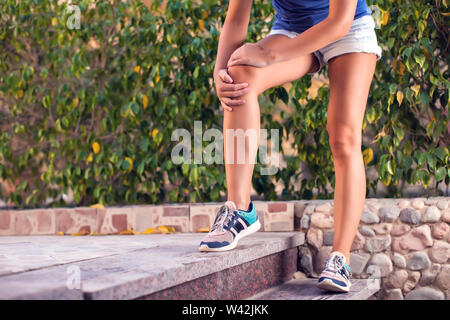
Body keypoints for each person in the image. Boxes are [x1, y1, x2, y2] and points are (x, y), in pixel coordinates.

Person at [199, 0, 382, 293]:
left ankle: (340, 258)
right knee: (238, 80)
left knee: (343, 136)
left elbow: (340, 22)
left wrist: (267, 53)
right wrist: (220, 72)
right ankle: (240, 208)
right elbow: (236, 18)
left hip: (347, 30)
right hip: (293, 30)